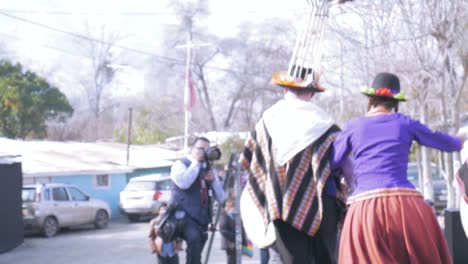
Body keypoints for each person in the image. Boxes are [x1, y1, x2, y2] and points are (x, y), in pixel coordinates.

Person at [332, 72, 466, 263]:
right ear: (395, 102)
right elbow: (451, 144)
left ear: (370, 100)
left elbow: (333, 162)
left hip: (365, 207)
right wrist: (461, 136)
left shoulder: (353, 126)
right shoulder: (405, 123)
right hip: (405, 205)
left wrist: (341, 183)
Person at [239, 66, 354, 264]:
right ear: (312, 92)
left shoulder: (266, 121)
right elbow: (348, 168)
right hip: (322, 205)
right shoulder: (325, 123)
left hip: (280, 205)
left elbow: (251, 163)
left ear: (285, 89)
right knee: (325, 260)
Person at [170, 137, 225, 264]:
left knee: (196, 254)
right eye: (200, 149)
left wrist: (214, 181)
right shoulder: (180, 164)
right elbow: (184, 183)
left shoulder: (208, 168)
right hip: (182, 217)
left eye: (207, 150)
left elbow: (221, 197)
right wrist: (196, 163)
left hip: (202, 219)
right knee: (193, 240)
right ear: (191, 149)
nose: (203, 152)